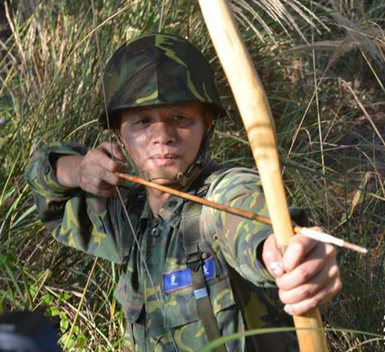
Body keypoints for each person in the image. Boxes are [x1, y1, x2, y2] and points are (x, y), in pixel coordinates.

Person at [25, 33, 341, 352]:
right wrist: (79, 169)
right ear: (119, 132)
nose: (162, 136)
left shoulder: (225, 191)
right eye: (143, 121)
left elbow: (253, 224)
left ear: (206, 123)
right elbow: (42, 178)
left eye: (180, 118)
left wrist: (287, 257)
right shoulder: (126, 207)